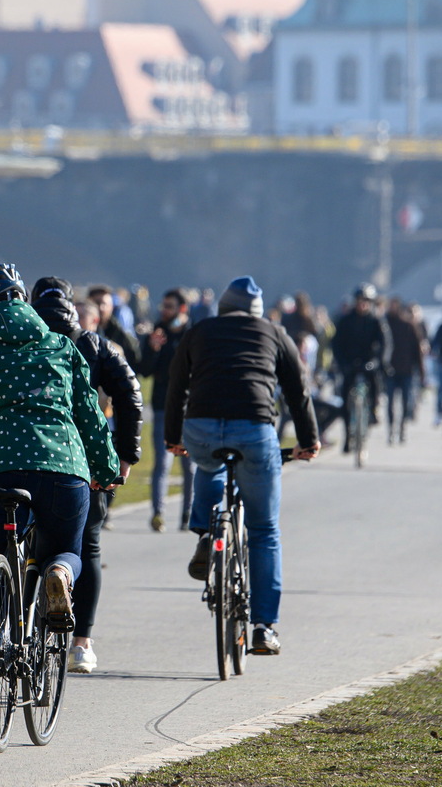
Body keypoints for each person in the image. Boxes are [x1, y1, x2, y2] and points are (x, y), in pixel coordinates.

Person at [0, 264, 119, 721]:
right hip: (64, 468)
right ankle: (60, 574)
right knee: (67, 548)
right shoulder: (61, 344)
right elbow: (90, 417)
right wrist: (105, 468)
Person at [165, 276, 319, 657]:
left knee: (207, 464)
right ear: (257, 309)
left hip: (200, 428)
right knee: (264, 530)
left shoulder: (199, 331)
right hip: (254, 428)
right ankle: (264, 627)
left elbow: (176, 385)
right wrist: (309, 439)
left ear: (222, 306)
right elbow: (297, 389)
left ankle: (204, 530)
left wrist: (173, 437)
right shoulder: (274, 333)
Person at [31, 276, 142, 675]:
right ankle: (82, 643)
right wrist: (125, 454)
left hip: (22, 456)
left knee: (25, 543)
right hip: (82, 462)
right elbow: (130, 391)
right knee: (87, 544)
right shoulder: (92, 344)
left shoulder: (22, 340)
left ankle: (18, 624)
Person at [138, 288, 195, 532]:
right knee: (162, 463)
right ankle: (158, 513)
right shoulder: (156, 333)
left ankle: (188, 514)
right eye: (163, 306)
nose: (164, 311)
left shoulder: (193, 335)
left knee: (189, 465)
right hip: (162, 407)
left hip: (190, 410)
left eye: (169, 306)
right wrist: (153, 348)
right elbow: (146, 371)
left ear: (182, 309)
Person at [331, 283, 390, 452]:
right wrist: (341, 363)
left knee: (374, 384)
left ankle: (374, 409)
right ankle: (348, 434)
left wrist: (379, 362)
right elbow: (336, 344)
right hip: (350, 363)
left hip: (369, 362)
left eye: (366, 301)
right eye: (359, 300)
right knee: (345, 397)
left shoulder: (376, 320)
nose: (362, 304)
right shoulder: (345, 320)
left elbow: (385, 344)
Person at [383, 296, 426, 444]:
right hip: (390, 370)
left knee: (406, 403)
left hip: (406, 370)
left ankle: (402, 428)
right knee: (390, 403)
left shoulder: (408, 325)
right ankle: (390, 430)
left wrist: (421, 372)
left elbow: (417, 350)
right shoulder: (384, 324)